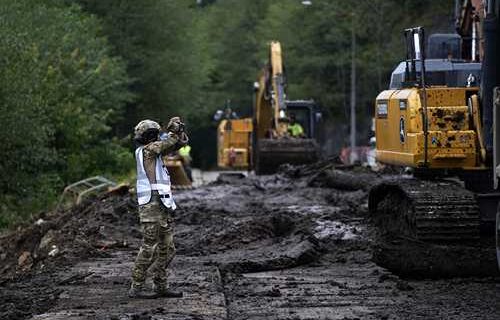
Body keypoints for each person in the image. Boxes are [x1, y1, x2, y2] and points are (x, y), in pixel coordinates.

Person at [129, 117, 188, 299]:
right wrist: (172, 133)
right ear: (151, 135)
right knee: (149, 247)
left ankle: (160, 285)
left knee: (167, 248)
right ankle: (136, 287)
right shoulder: (148, 150)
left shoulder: (155, 151)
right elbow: (166, 144)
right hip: (151, 205)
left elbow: (178, 144)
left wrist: (179, 132)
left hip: (161, 204)